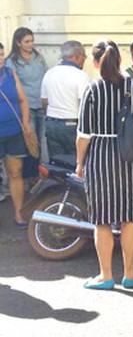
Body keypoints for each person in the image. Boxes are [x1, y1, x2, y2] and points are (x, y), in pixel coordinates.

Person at [76, 40, 133, 290]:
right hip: (130, 157)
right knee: (130, 219)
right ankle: (131, 273)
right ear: (120, 61)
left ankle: (105, 276)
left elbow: (83, 135)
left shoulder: (92, 90)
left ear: (95, 62)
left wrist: (80, 164)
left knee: (102, 220)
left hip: (100, 157)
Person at [6, 27, 49, 171]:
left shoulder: (38, 58)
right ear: (18, 43)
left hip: (41, 104)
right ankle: (30, 173)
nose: (31, 44)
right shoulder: (12, 62)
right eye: (27, 41)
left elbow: (46, 77)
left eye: (32, 41)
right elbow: (13, 86)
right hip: (26, 107)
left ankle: (43, 172)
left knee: (43, 140)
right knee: (30, 141)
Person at [0, 41, 33, 227]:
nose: (1, 58)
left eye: (2, 54)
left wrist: (26, 122)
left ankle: (19, 214)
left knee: (16, 172)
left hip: (13, 131)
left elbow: (22, 100)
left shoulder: (10, 74)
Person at [41, 41, 91, 156]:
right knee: (75, 162)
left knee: (56, 163)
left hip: (52, 123)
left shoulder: (49, 73)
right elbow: (84, 104)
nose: (84, 60)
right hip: (72, 124)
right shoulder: (81, 76)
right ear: (77, 56)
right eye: (84, 57)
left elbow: (44, 102)